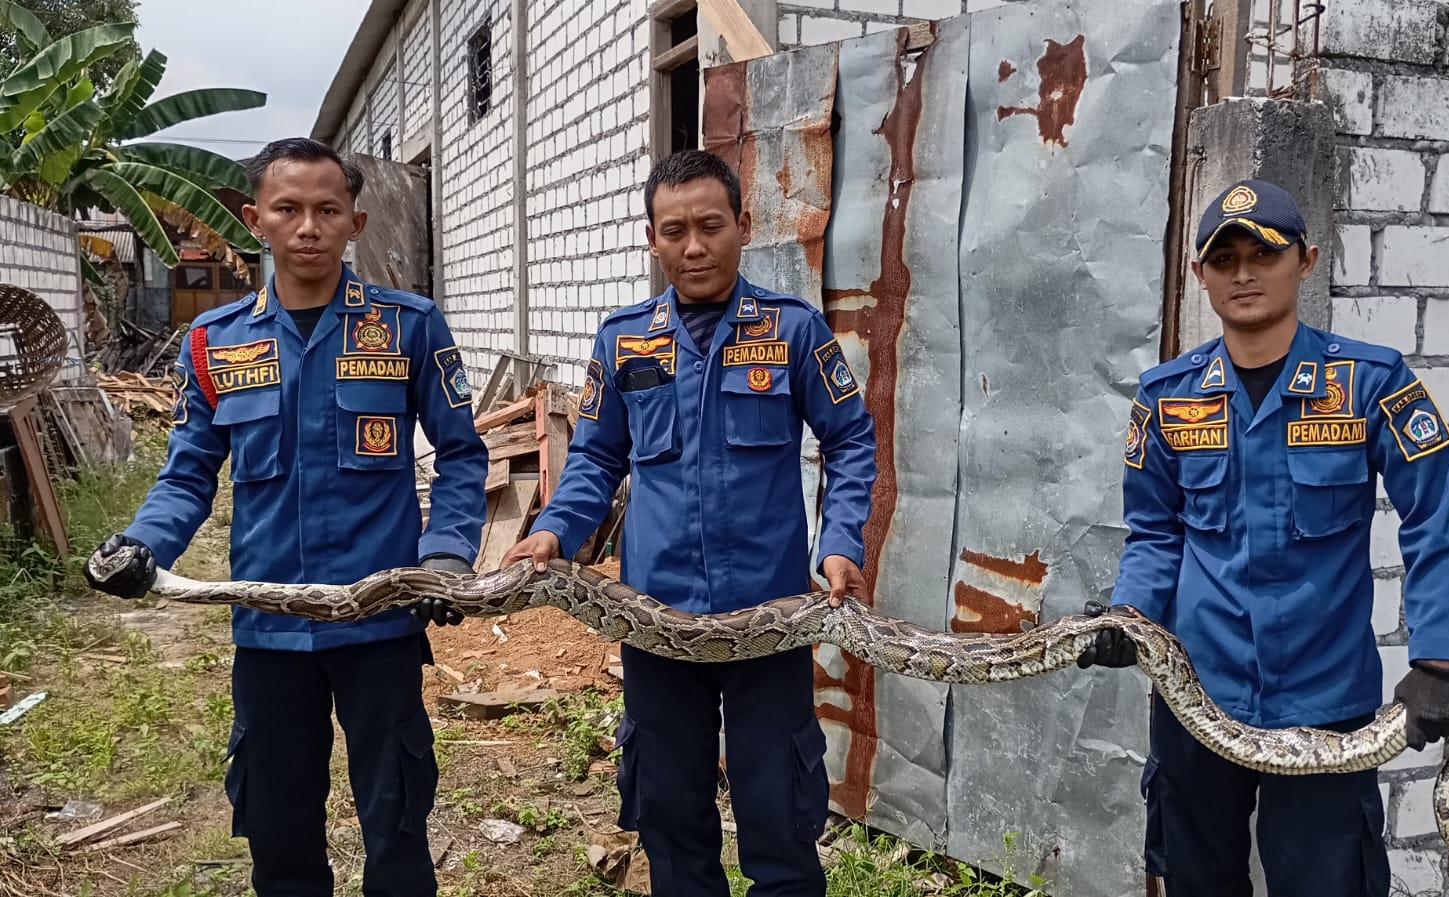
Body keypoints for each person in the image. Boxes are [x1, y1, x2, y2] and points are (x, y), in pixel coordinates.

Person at [82, 138, 488, 897]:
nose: (309, 226)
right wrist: (141, 544)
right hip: (269, 630)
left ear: (355, 222)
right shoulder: (214, 341)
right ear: (254, 219)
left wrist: (446, 556)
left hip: (380, 625)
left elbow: (463, 454)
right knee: (277, 831)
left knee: (398, 825)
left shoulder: (409, 326)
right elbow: (188, 472)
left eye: (327, 210)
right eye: (289, 209)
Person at [1076, 179, 1449, 896]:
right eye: (1223, 258)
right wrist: (1129, 618)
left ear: (1307, 259)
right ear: (1201, 275)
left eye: (1264, 251)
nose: (1244, 272)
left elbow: (1433, 520)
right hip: (1197, 695)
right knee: (1197, 882)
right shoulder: (1168, 397)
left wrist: (1438, 661)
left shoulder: (1369, 384)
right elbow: (1155, 532)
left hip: (1326, 707)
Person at [499, 149, 877, 897]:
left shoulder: (794, 330)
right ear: (652, 237)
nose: (694, 245)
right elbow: (596, 459)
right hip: (655, 619)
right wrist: (555, 532)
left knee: (781, 816)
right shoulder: (624, 339)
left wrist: (839, 542)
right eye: (674, 230)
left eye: (710, 225)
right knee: (671, 819)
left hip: (770, 617)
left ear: (744, 224)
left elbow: (850, 438)